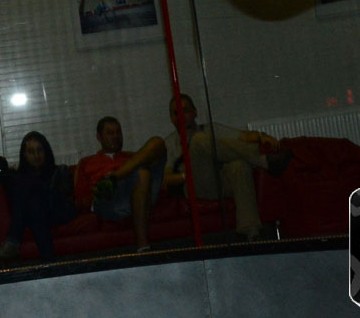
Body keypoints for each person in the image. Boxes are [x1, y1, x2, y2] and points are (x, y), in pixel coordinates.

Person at [162, 93, 289, 240]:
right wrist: (186, 175)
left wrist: (262, 136)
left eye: (185, 111)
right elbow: (165, 179)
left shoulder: (211, 129)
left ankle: (250, 233)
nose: (180, 117)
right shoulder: (169, 144)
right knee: (198, 140)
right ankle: (262, 160)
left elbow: (244, 137)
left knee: (239, 166)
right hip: (195, 186)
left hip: (221, 180)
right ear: (171, 118)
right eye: (175, 113)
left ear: (194, 112)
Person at [73, 117, 167, 252]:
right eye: (110, 133)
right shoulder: (87, 162)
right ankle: (143, 247)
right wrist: (96, 192)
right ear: (99, 137)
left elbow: (160, 187)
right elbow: (80, 200)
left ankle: (114, 177)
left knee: (157, 142)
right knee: (142, 173)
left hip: (140, 193)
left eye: (118, 132)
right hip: (109, 201)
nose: (116, 136)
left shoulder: (132, 157)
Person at [0, 131, 78, 262]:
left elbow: (64, 197)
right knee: (35, 206)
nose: (36, 155)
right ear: (24, 155)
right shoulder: (20, 179)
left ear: (46, 151)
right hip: (39, 213)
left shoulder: (58, 171)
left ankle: (13, 241)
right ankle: (49, 261)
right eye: (31, 151)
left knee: (35, 199)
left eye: (40, 150)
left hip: (60, 210)